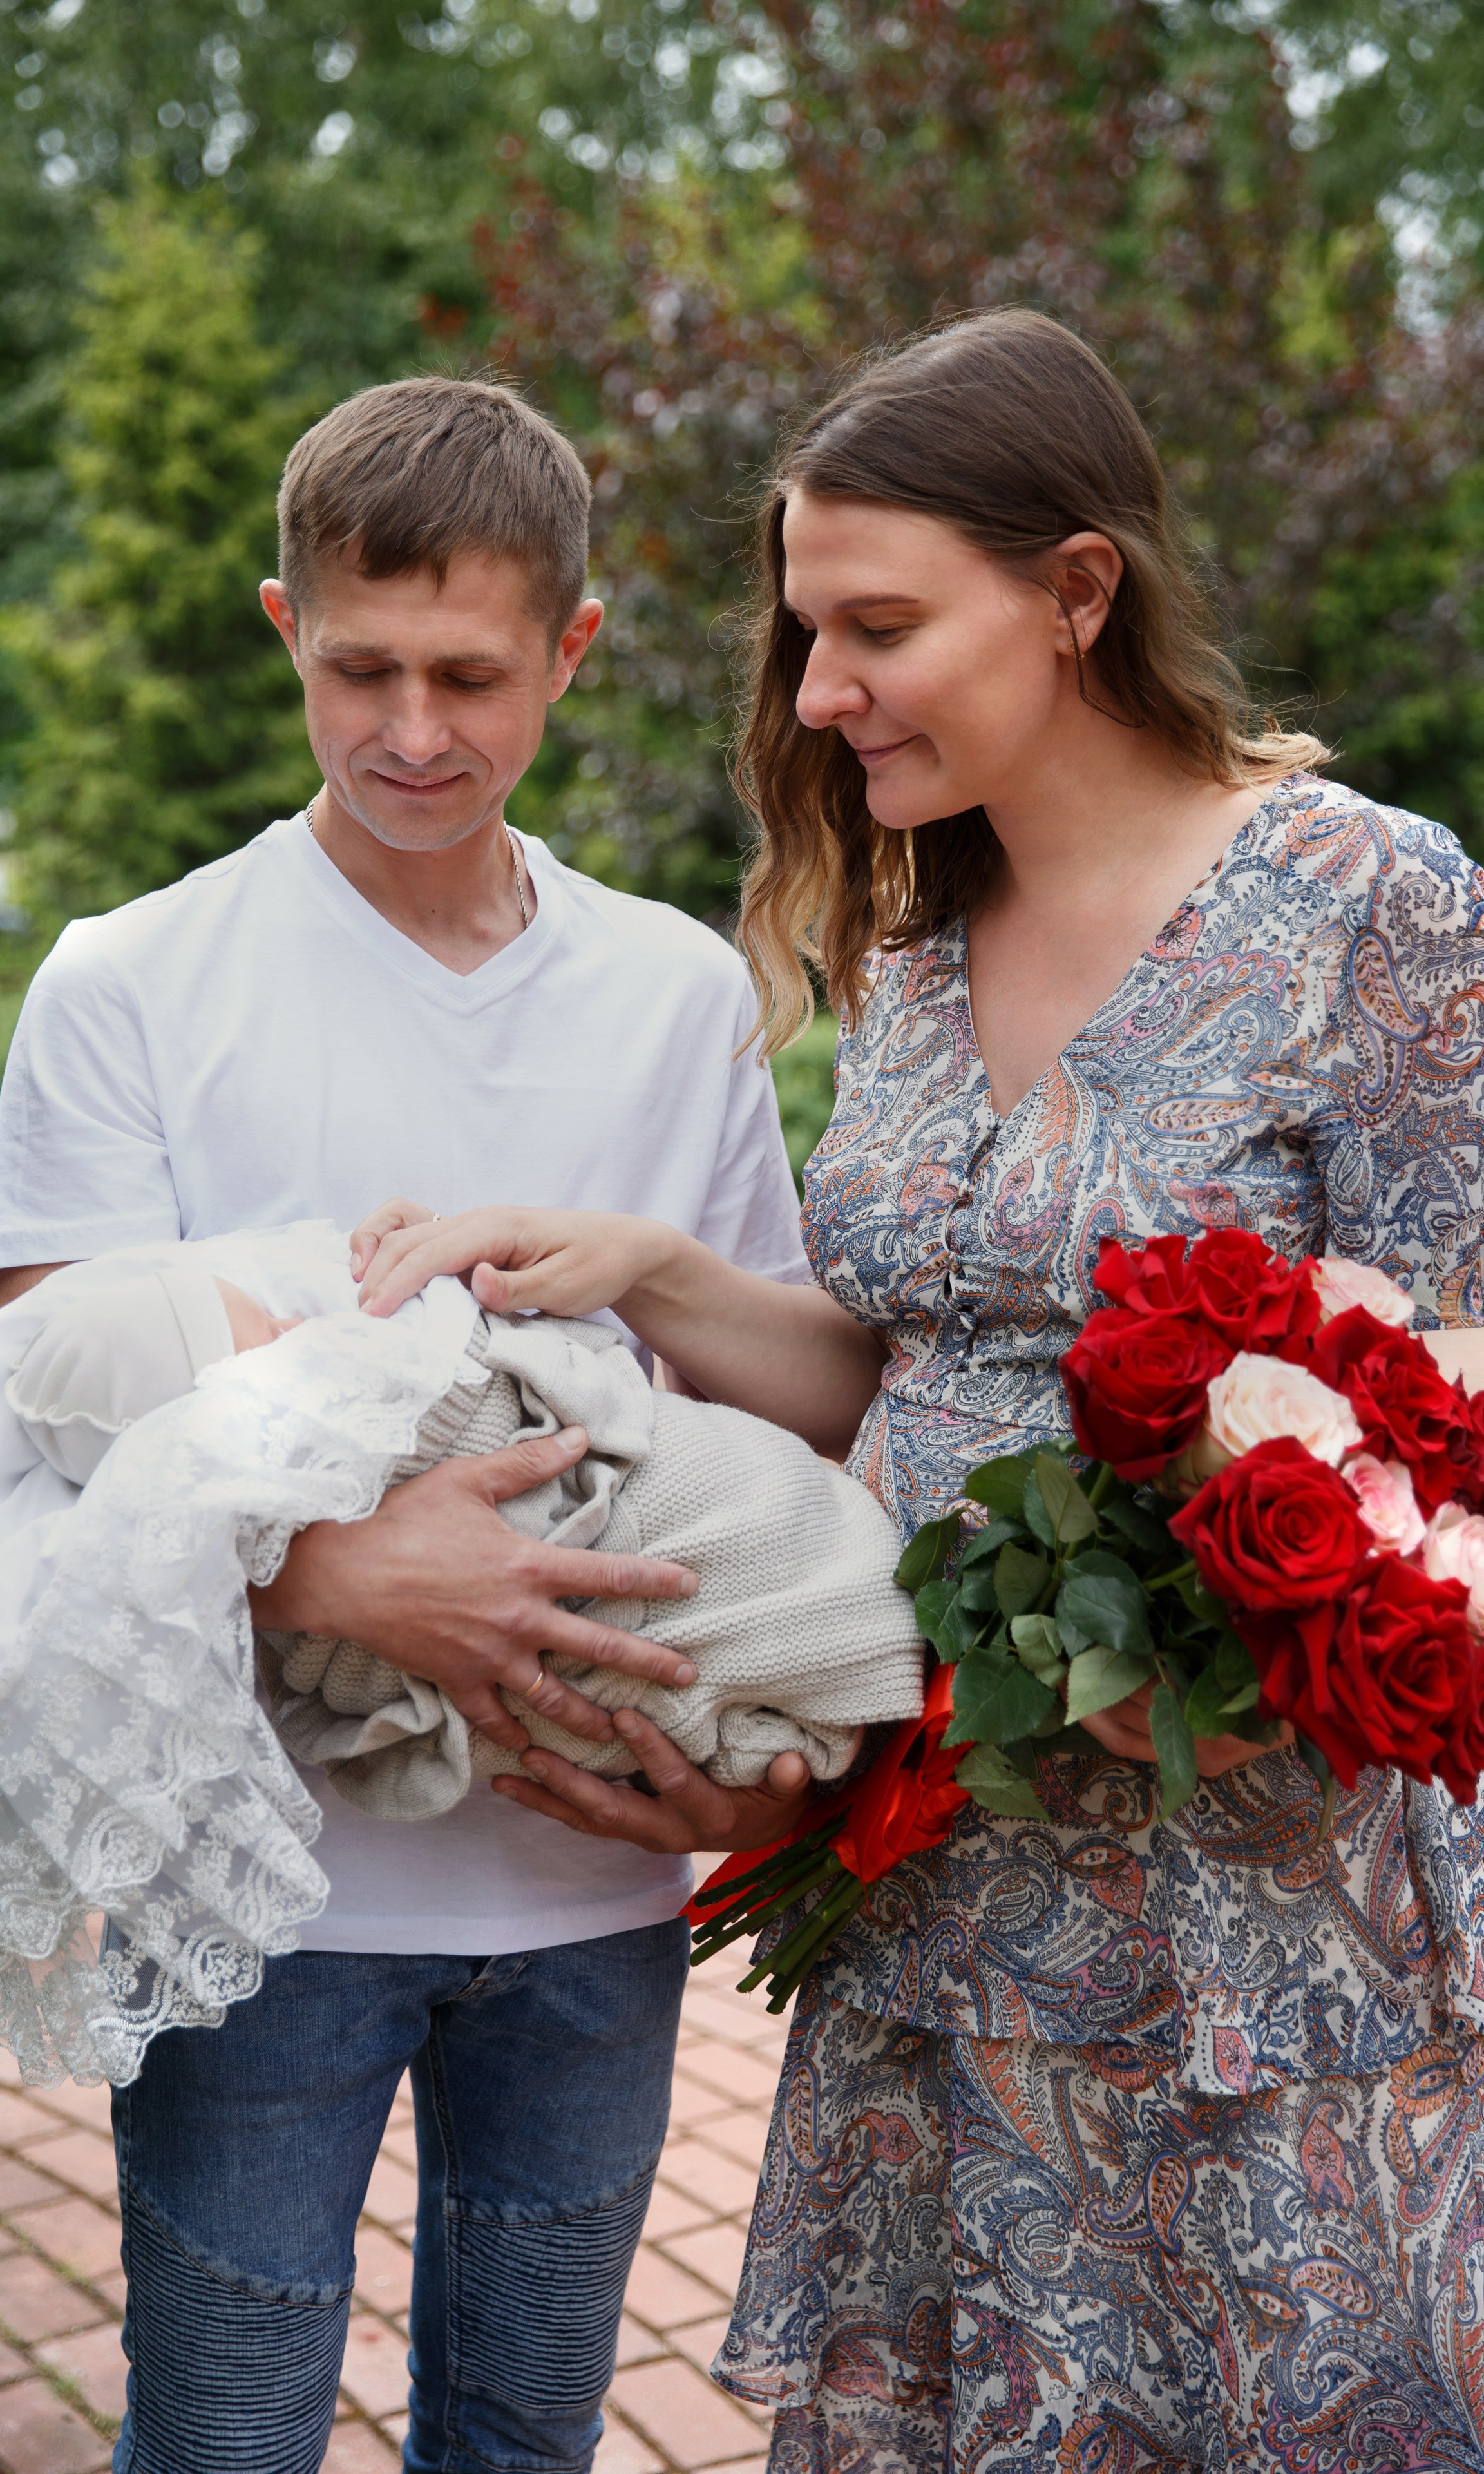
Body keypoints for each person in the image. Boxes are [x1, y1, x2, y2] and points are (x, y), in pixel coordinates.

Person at [345, 311, 1484, 2469]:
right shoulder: (914, 945)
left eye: (877, 626)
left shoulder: (1368, 904)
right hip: (943, 1888)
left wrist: (1215, 1663)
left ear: (1079, 592)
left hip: (1256, 1914)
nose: (820, 690)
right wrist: (671, 1278)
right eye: (806, 631)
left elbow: (1463, 1419)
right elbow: (923, 1362)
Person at [0, 375, 815, 2474]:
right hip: (261, 1887)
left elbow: (764, 1393)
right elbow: (39, 1413)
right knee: (228, 2441)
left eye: (471, 674)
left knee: (524, 2442)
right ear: (285, 626)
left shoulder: (670, 994)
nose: (412, 730)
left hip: (594, 1891)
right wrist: (349, 1571)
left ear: (575, 650)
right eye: (360, 668)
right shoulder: (131, 981)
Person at [0, 1236, 925, 1811]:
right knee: (639, 1681)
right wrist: (323, 1582)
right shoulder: (126, 976)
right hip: (333, 1923)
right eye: (268, 1344)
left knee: (715, 1560)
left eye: (285, 1319)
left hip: (593, 1897)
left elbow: (533, 1387)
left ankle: (833, 1625)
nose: (298, 1331)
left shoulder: (689, 982)